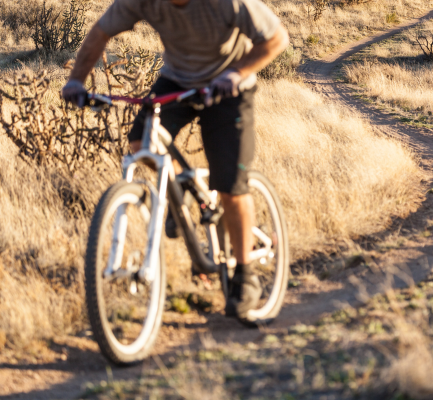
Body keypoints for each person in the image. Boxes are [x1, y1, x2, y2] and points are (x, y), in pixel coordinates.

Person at [61, 0, 289, 321]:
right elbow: (100, 32)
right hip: (178, 81)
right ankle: (179, 193)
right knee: (142, 143)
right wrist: (75, 81)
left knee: (229, 185)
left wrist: (236, 74)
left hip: (229, 86)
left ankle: (245, 274)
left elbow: (277, 38)